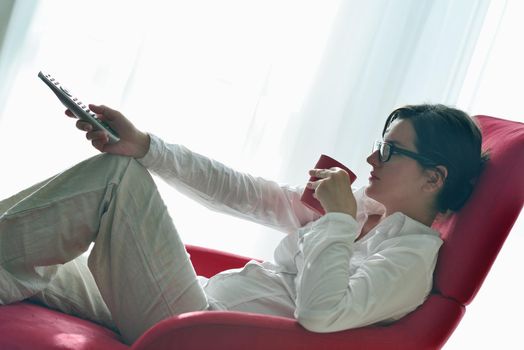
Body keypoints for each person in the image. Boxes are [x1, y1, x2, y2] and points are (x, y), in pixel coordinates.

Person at [0, 103, 487, 344]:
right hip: (194, 299)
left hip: (195, 334)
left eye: (389, 150)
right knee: (26, 262)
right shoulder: (363, 208)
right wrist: (148, 146)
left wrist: (337, 220)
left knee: (116, 179)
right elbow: (251, 194)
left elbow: (321, 313)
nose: (370, 158)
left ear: (434, 178)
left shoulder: (409, 260)